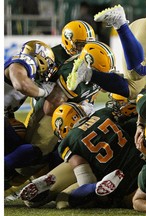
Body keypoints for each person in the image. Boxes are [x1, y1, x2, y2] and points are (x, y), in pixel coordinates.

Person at [4, 20, 100, 197]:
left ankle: (20, 185)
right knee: (32, 153)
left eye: (86, 45)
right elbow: (33, 90)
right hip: (49, 111)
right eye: (79, 44)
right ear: (68, 40)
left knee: (37, 153)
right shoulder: (39, 58)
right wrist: (44, 92)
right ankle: (13, 186)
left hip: (61, 112)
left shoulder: (88, 58)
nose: (82, 49)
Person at [19, 101, 146, 209]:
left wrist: (89, 186)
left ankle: (91, 188)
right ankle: (94, 188)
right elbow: (131, 110)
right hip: (135, 165)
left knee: (62, 198)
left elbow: (81, 167)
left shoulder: (67, 142)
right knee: (64, 201)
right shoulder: (103, 113)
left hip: (98, 169)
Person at [5, 40, 56, 190]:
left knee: (27, 152)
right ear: (41, 57)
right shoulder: (25, 60)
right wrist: (43, 91)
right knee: (31, 152)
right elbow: (21, 85)